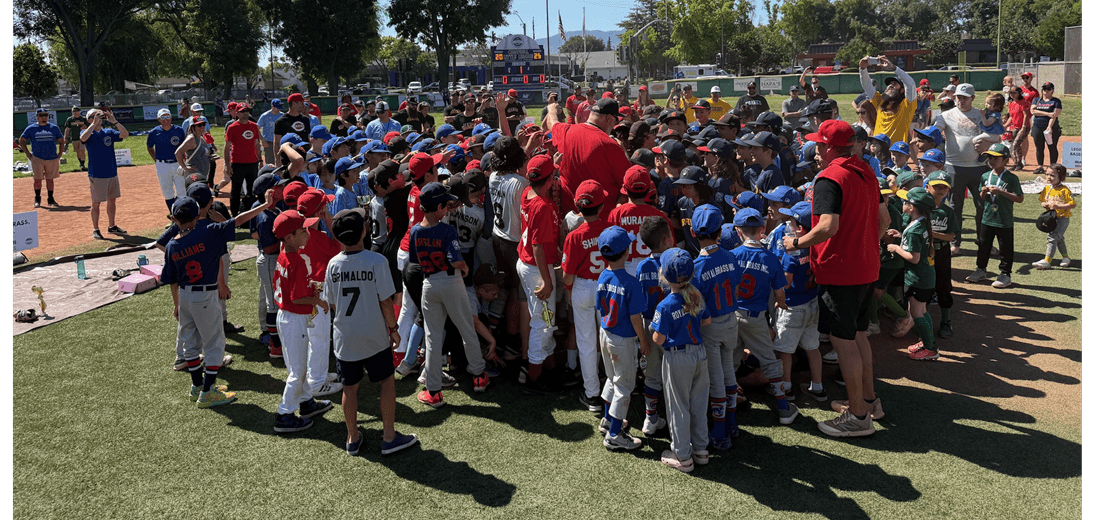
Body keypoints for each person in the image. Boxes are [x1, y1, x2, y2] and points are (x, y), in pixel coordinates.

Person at [784, 119, 889, 438]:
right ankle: (869, 402)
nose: (815, 151)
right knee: (858, 337)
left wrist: (797, 243)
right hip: (866, 267)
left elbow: (828, 226)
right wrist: (863, 246)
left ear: (830, 148)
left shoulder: (830, 177)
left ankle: (858, 417)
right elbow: (884, 220)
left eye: (818, 145)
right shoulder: (866, 170)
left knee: (845, 343)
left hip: (842, 272)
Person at [323, 208, 419, 456]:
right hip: (374, 335)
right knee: (386, 382)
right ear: (364, 231)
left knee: (349, 388)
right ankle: (389, 437)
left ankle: (353, 438)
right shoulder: (377, 261)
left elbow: (333, 304)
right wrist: (394, 329)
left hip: (344, 336)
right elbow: (386, 302)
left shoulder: (333, 265)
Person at [411, 182, 491, 407]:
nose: (448, 206)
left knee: (432, 337)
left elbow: (415, 261)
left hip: (429, 283)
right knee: (466, 327)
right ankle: (478, 376)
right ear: (438, 207)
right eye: (445, 204)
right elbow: (456, 259)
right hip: (451, 280)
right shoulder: (446, 229)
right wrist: (464, 268)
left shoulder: (416, 230)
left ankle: (433, 391)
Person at [270, 209, 336, 432]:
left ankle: (306, 402)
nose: (308, 233)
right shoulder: (296, 260)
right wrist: (318, 301)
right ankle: (285, 414)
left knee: (298, 367)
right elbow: (297, 298)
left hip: (288, 318)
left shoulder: (285, 253)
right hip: (294, 318)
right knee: (297, 372)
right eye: (302, 230)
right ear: (289, 237)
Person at [730, 208, 797, 425]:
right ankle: (783, 408)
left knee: (729, 364)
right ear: (761, 230)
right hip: (755, 317)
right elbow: (779, 292)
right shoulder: (769, 258)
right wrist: (782, 303)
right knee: (770, 362)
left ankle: (727, 411)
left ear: (738, 231)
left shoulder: (731, 255)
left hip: (732, 315)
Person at [650, 248, 711, 473]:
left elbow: (658, 339)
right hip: (699, 353)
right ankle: (701, 450)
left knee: (678, 407)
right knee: (698, 404)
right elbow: (707, 321)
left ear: (664, 276)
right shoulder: (696, 294)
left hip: (678, 357)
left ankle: (683, 456)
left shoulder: (665, 305)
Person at [689, 205, 744, 448]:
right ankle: (731, 423)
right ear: (720, 231)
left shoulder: (695, 267)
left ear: (692, 232)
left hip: (710, 325)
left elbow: (696, 305)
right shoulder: (731, 256)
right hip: (731, 319)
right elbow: (735, 288)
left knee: (716, 379)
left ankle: (720, 432)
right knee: (728, 370)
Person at [594, 225, 650, 452]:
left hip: (605, 333)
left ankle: (608, 420)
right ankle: (615, 434)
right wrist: (644, 341)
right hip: (623, 339)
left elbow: (600, 306)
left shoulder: (602, 276)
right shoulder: (630, 282)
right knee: (624, 385)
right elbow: (636, 318)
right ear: (626, 251)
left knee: (611, 378)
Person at [931, 83, 1000, 254]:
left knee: (982, 206)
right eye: (958, 97)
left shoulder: (982, 114)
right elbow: (935, 130)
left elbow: (997, 136)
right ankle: (955, 242)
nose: (960, 100)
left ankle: (984, 242)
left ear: (972, 98)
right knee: (955, 207)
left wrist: (988, 143)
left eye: (964, 97)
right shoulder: (946, 115)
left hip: (979, 168)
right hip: (954, 168)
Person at [561, 181, 610, 412]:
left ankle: (592, 395)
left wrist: (569, 293)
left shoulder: (574, 236)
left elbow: (568, 274)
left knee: (586, 341)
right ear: (601, 207)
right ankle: (612, 389)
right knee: (609, 338)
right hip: (606, 286)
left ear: (578, 207)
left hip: (582, 286)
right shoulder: (610, 230)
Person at [771, 201, 825, 400]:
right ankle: (818, 386)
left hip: (792, 305)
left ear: (799, 228)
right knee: (812, 346)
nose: (788, 225)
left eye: (791, 222)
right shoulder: (817, 245)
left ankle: (786, 387)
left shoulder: (791, 252)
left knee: (785, 350)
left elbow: (786, 282)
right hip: (812, 302)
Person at [517, 155, 562, 394]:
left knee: (546, 319)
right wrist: (546, 279)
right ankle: (533, 378)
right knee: (543, 323)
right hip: (536, 268)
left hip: (527, 263)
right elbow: (537, 246)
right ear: (547, 181)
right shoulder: (542, 206)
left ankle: (549, 367)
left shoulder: (528, 193)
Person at [551, 98, 633, 215]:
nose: (615, 125)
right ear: (608, 118)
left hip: (570, 217)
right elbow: (629, 181)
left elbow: (552, 123)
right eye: (616, 120)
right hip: (602, 219)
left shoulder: (566, 131)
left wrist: (551, 109)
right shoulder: (610, 145)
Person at [887, 187, 938, 360]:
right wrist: (901, 236)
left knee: (917, 313)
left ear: (912, 207)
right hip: (925, 277)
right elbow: (916, 246)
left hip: (917, 278)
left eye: (906, 201)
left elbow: (913, 257)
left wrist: (895, 247)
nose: (903, 203)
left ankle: (930, 350)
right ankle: (927, 342)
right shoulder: (920, 223)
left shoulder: (915, 229)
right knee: (922, 311)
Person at [965, 144, 1023, 289]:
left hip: (1004, 220)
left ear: (1005, 160)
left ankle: (1005, 274)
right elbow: (981, 196)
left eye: (996, 158)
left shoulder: (1011, 178)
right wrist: (984, 192)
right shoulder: (985, 176)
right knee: (983, 246)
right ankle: (980, 270)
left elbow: (1019, 198)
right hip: (987, 218)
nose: (991, 160)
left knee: (1005, 249)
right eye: (990, 157)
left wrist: (1001, 192)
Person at [79, 109, 129, 239]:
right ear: (89, 119)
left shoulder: (109, 132)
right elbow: (83, 138)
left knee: (112, 201)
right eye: (95, 115)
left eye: (100, 115)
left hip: (112, 172)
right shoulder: (87, 132)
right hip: (96, 173)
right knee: (96, 202)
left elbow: (125, 134)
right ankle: (96, 229)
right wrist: (93, 124)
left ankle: (112, 226)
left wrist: (114, 121)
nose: (99, 117)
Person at [924, 170, 956, 339]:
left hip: (942, 251)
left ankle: (946, 321)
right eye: (937, 186)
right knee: (924, 288)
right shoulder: (922, 208)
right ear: (927, 187)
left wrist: (931, 233)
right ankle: (924, 322)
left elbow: (950, 236)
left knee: (943, 287)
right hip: (924, 252)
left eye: (944, 187)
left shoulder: (948, 212)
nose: (941, 190)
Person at [858, 56, 917, 143]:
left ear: (902, 90)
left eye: (895, 84)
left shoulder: (907, 106)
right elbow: (867, 86)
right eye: (889, 84)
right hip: (877, 148)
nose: (890, 86)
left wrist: (894, 68)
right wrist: (862, 69)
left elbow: (910, 84)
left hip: (895, 151)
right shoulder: (880, 101)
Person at [1033, 164, 1076, 270]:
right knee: (1059, 238)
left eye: (1052, 175)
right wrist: (1044, 204)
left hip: (1062, 219)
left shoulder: (1064, 190)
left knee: (1052, 237)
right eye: (1047, 174)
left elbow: (1073, 204)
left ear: (1061, 177)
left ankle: (1047, 260)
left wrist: (1059, 206)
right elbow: (1043, 201)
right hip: (1052, 218)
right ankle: (1065, 257)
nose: (1048, 177)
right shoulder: (1047, 188)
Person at [224, 104, 265, 216]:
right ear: (237, 114)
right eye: (242, 111)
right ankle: (235, 215)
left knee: (252, 189)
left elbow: (257, 145)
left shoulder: (254, 126)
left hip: (252, 163)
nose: (245, 113)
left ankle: (251, 212)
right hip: (237, 163)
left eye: (246, 111)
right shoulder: (232, 127)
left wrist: (260, 160)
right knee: (236, 191)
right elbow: (226, 147)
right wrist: (227, 165)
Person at [19, 108, 65, 208]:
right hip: (37, 158)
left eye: (45, 115)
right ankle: (37, 199)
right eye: (41, 115)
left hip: (52, 158)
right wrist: (28, 154)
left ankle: (51, 199)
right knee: (37, 180)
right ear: (37, 117)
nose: (44, 117)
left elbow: (61, 141)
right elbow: (22, 140)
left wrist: (60, 154)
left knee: (50, 179)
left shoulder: (54, 128)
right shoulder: (31, 128)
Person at [1029, 82, 1063, 167]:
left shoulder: (1056, 101)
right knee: (1039, 147)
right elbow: (1032, 111)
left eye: (1048, 89)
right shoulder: (1037, 100)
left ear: (1052, 90)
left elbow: (1055, 115)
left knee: (1052, 147)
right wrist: (1047, 114)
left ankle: (1053, 166)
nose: (1046, 91)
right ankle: (1040, 166)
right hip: (1037, 126)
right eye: (1044, 89)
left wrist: (1049, 127)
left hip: (1051, 127)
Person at [257, 99, 284, 165]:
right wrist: (262, 140)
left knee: (281, 161)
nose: (279, 109)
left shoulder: (282, 115)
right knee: (270, 163)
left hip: (281, 142)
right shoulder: (265, 116)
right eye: (277, 107)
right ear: (272, 106)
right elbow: (256, 129)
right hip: (269, 142)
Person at [62, 106, 88, 172]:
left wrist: (85, 128)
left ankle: (83, 164)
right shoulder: (70, 119)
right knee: (77, 151)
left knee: (82, 150)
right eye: (74, 111)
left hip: (83, 137)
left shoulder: (83, 119)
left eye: (77, 111)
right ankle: (80, 163)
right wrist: (65, 137)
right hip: (74, 138)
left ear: (79, 111)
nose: (76, 113)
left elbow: (88, 127)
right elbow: (67, 129)